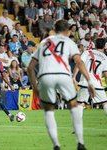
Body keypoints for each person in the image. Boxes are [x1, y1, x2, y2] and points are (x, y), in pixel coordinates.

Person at [27, 19, 95, 150]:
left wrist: (35, 86)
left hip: (45, 76)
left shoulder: (44, 42)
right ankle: (80, 143)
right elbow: (79, 63)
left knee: (49, 110)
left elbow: (30, 67)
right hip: (63, 75)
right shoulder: (69, 41)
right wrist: (90, 82)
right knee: (74, 107)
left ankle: (56, 145)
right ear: (67, 30)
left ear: (54, 29)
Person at [73, 38, 107, 124]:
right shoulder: (104, 57)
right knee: (104, 103)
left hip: (85, 82)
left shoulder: (87, 52)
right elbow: (106, 75)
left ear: (95, 45)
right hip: (97, 83)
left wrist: (74, 76)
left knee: (81, 104)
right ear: (104, 46)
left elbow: (79, 64)